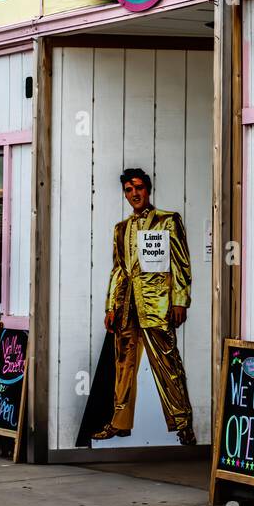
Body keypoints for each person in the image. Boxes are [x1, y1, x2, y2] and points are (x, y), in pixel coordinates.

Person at [88, 168, 196, 445]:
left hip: (157, 305)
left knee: (167, 364)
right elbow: (118, 270)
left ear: (148, 189)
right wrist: (110, 306)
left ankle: (183, 423)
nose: (134, 194)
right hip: (126, 307)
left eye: (138, 188)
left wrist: (179, 300)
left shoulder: (168, 220)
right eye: (128, 189)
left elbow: (181, 264)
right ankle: (120, 423)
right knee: (123, 367)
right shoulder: (120, 228)